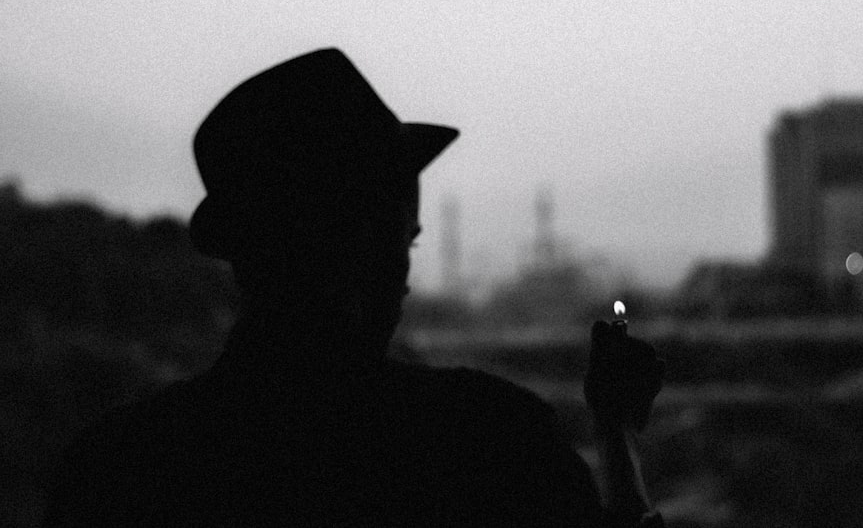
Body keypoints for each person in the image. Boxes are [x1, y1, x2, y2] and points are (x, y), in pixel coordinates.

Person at [47, 49, 665, 527]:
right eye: (405, 241)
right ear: (370, 243)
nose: (404, 273)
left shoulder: (118, 468)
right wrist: (615, 429)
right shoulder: (480, 442)